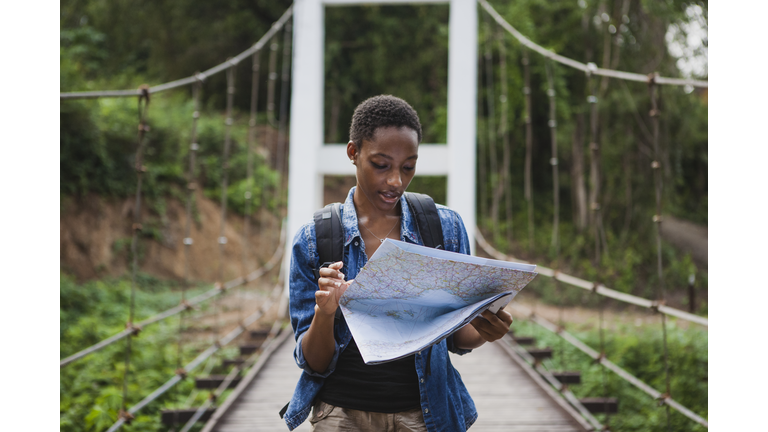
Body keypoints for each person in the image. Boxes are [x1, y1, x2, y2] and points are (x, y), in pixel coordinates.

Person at [283, 95, 513, 431]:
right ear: (353, 153)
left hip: (425, 415)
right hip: (340, 416)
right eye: (381, 165)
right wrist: (325, 312)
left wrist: (484, 329)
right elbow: (314, 363)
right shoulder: (314, 239)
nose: (396, 182)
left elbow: (457, 338)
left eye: (408, 167)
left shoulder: (444, 228)